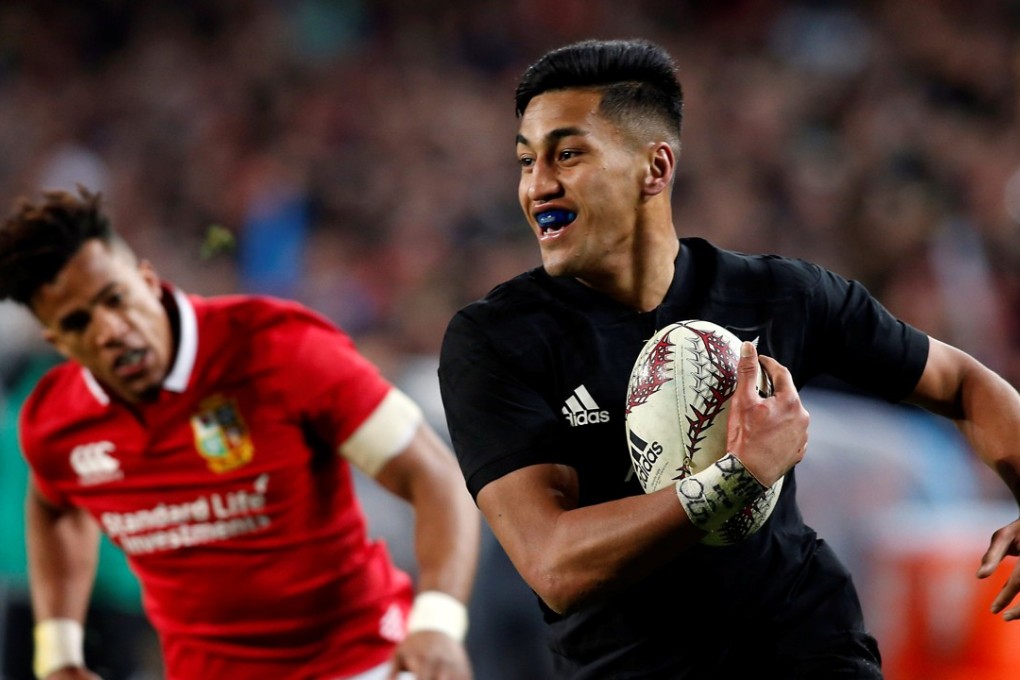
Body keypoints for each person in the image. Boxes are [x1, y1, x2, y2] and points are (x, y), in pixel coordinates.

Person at [437, 38, 1020, 678]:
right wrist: (738, 478)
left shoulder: (779, 294)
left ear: (654, 169)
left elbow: (962, 381)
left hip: (807, 654)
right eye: (526, 161)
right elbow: (554, 564)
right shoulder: (496, 340)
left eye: (567, 155)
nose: (537, 186)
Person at [0, 186, 480, 680]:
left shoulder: (276, 348)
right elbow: (53, 506)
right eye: (79, 322)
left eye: (115, 299)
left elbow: (433, 475)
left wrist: (438, 622)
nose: (110, 330)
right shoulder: (57, 419)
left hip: (361, 662)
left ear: (146, 279)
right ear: (57, 341)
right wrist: (57, 653)